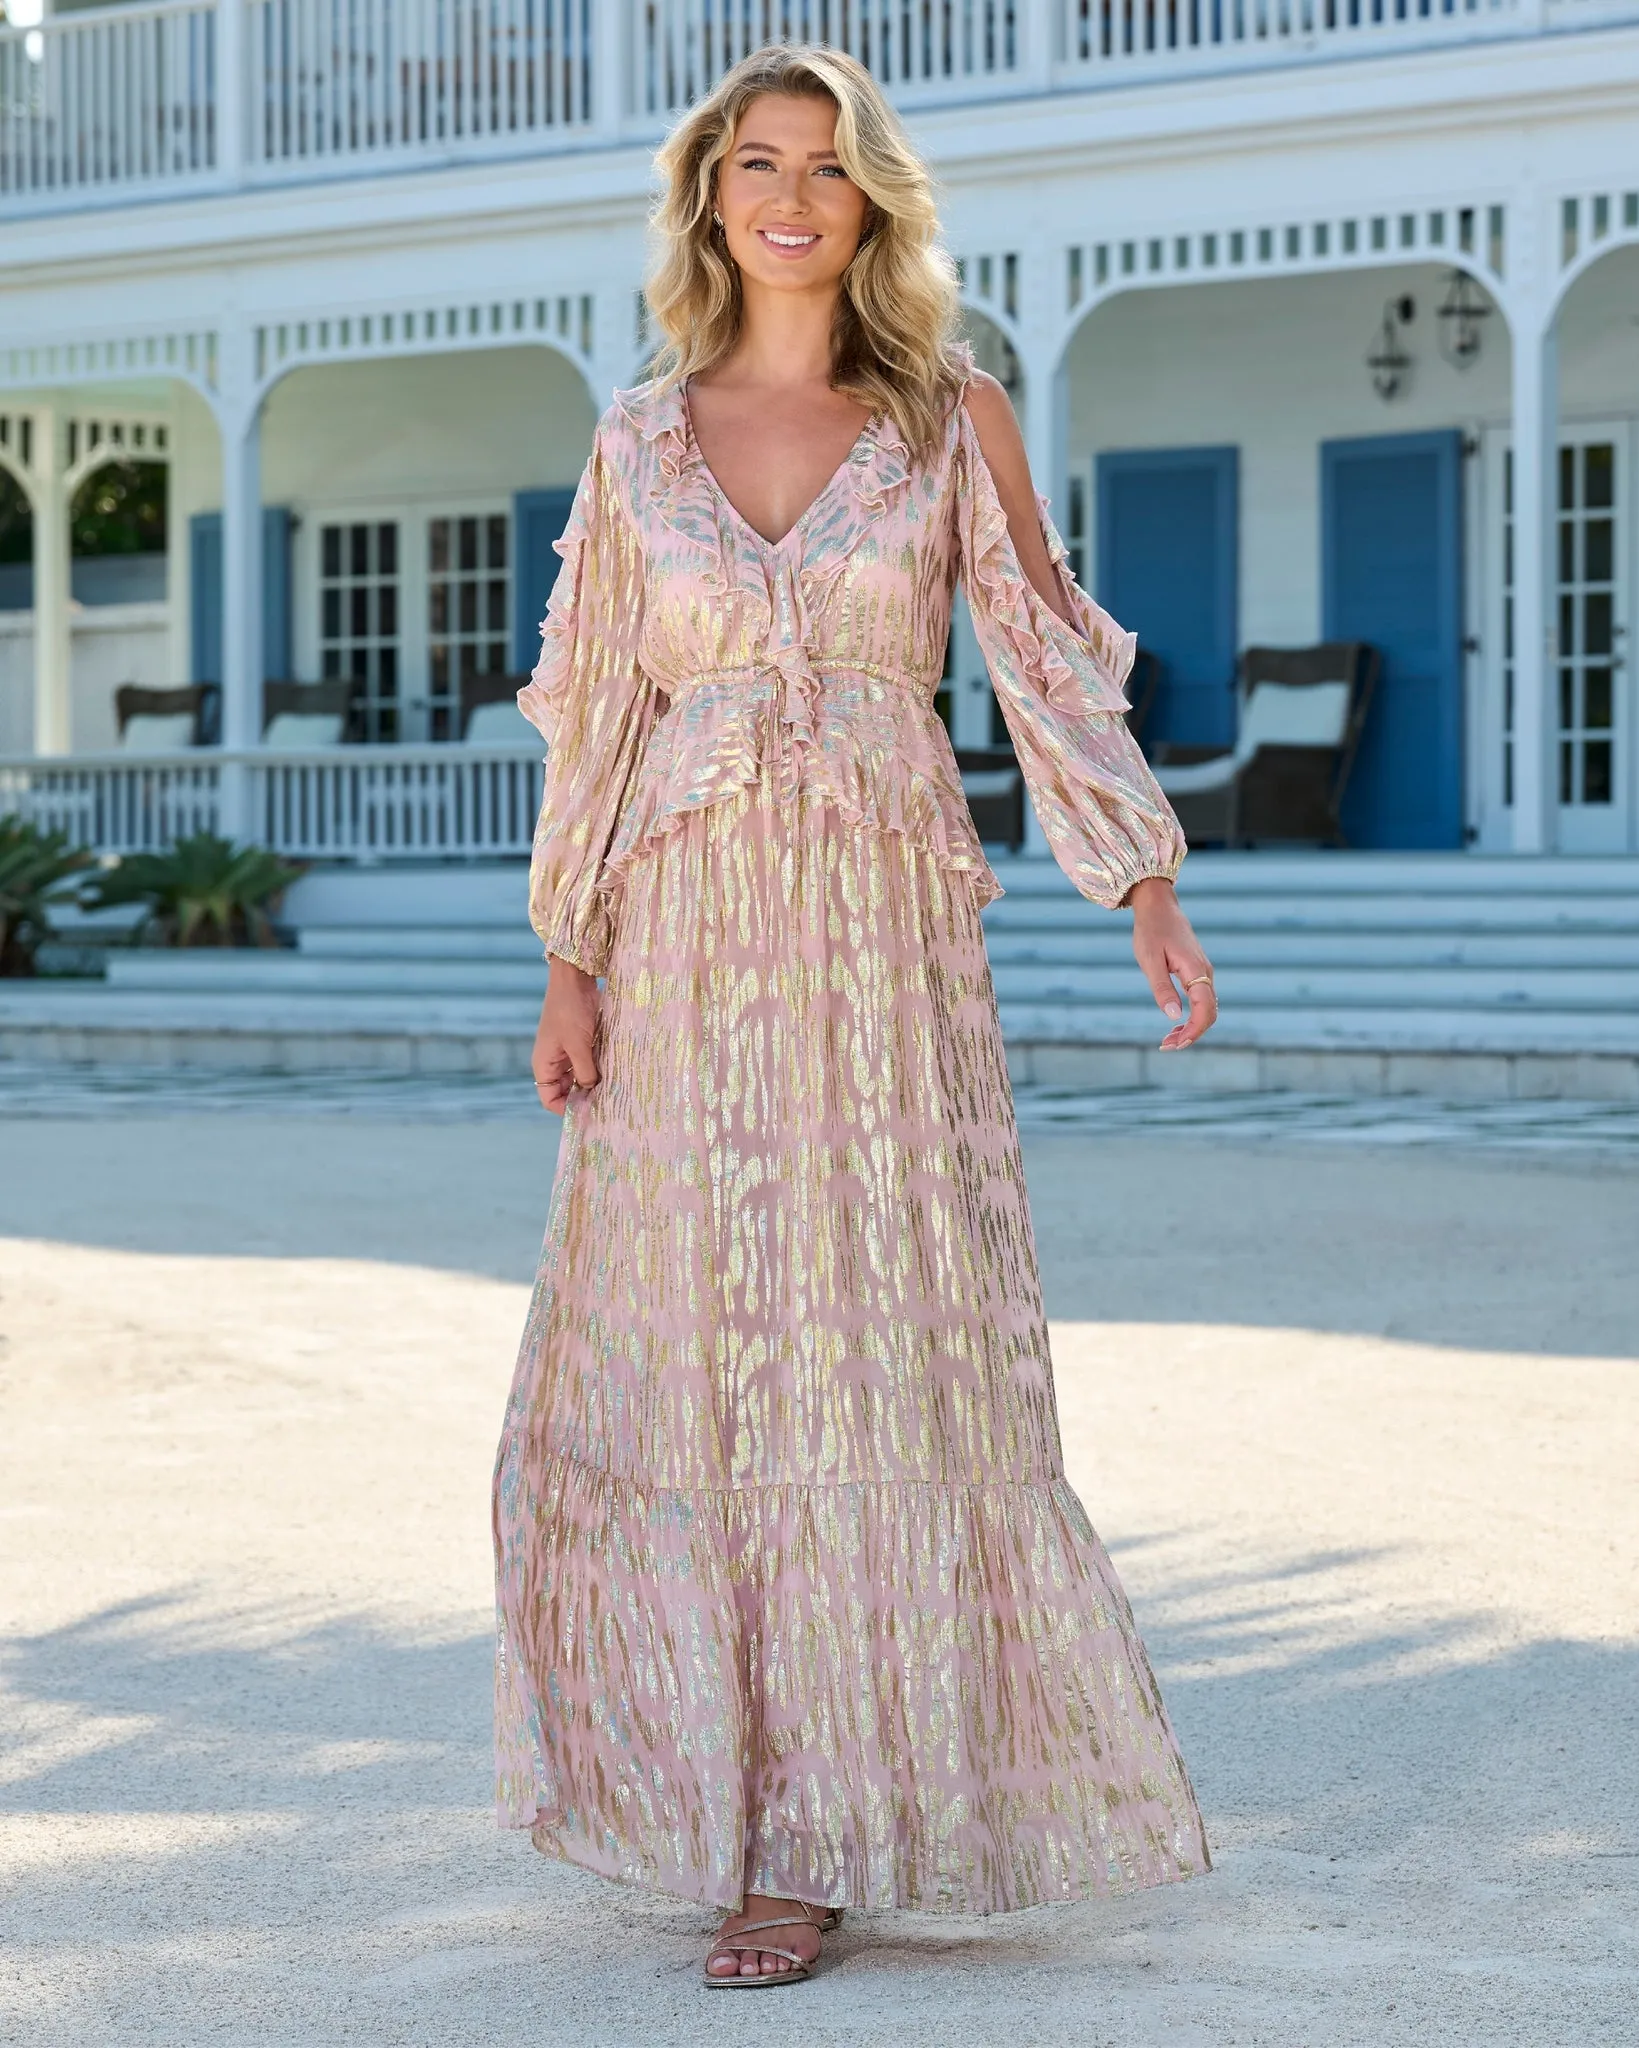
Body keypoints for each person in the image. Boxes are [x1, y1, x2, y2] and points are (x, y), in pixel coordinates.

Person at [493, 42, 1216, 1990]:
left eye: (823, 164)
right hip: (688, 944)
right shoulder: (640, 438)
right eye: (755, 164)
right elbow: (603, 716)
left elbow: (1047, 660)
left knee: (875, 1353)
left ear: (870, 196)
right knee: (706, 1365)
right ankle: (743, 1816)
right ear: (710, 198)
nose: (790, 194)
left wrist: (1139, 872)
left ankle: (831, 1821)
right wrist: (572, 950)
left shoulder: (944, 415)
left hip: (884, 951)